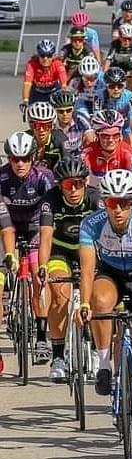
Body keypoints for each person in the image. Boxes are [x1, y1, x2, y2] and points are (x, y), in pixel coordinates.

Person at [78, 170, 132, 450]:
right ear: (104, 202)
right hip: (110, 275)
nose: (118, 209)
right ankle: (104, 363)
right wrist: (83, 303)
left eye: (125, 203)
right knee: (101, 303)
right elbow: (89, 269)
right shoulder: (91, 224)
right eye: (112, 202)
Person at [38, 156, 102, 381]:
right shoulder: (50, 199)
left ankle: (95, 349)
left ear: (86, 182)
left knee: (96, 295)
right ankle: (58, 357)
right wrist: (43, 268)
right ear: (59, 185)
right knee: (58, 296)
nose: (73, 189)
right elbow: (45, 237)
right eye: (67, 185)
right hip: (60, 250)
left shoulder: (96, 198)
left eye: (78, 184)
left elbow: (106, 234)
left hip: (89, 250)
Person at [0, 132, 55, 364]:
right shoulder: (1, 178)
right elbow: (5, 225)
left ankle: (42, 336)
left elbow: (47, 224)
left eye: (25, 158)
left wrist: (42, 264)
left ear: (33, 158)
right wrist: (10, 255)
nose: (20, 163)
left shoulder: (44, 177)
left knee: (38, 274)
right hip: (6, 227)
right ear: (9, 159)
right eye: (14, 159)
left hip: (35, 227)